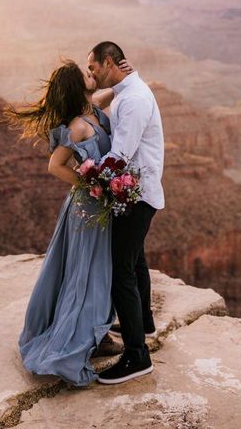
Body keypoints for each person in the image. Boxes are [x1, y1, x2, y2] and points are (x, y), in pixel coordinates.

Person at [3, 59, 129, 386]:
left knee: (98, 270)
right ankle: (86, 337)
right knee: (88, 273)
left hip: (97, 206)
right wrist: (93, 184)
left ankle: (96, 329)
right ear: (78, 86)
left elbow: (112, 91)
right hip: (87, 209)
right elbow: (54, 166)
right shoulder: (77, 126)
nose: (93, 76)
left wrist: (127, 76)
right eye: (88, 74)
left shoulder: (92, 109)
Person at [87, 41, 165, 384]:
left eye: (92, 68)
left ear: (108, 62)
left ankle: (137, 355)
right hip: (139, 193)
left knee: (122, 272)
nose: (90, 74)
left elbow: (119, 156)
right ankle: (143, 322)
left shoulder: (133, 100)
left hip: (136, 195)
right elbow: (103, 100)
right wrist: (107, 89)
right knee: (135, 260)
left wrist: (85, 172)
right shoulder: (127, 90)